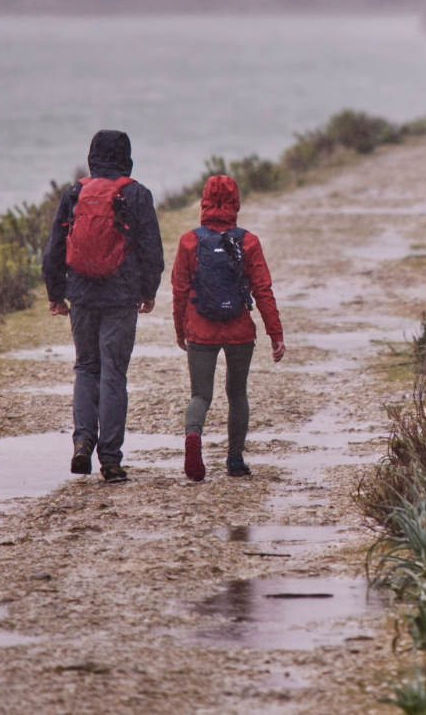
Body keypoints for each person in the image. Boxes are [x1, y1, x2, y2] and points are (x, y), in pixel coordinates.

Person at [42, 129, 164, 483]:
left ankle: (82, 442)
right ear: (126, 156)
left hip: (81, 293)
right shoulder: (137, 194)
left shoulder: (75, 192)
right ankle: (110, 459)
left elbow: (54, 248)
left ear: (92, 155)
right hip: (121, 295)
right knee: (114, 372)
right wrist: (148, 289)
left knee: (86, 368)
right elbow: (151, 248)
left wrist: (55, 293)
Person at [169, 173, 284, 481]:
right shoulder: (248, 241)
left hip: (201, 329)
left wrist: (181, 329)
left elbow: (179, 290)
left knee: (200, 395)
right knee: (237, 394)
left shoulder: (189, 241)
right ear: (236, 204)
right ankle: (235, 460)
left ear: (204, 202)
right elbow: (263, 290)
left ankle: (194, 435)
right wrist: (276, 333)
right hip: (239, 331)